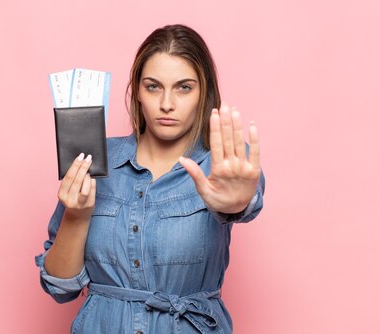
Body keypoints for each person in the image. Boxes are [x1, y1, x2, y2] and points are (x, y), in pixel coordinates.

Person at [35, 24, 265, 333]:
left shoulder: (224, 164)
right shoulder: (94, 160)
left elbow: (245, 199)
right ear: (137, 91)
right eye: (153, 86)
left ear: (203, 92)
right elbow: (60, 288)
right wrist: (76, 215)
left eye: (184, 87)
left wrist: (236, 203)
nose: (166, 103)